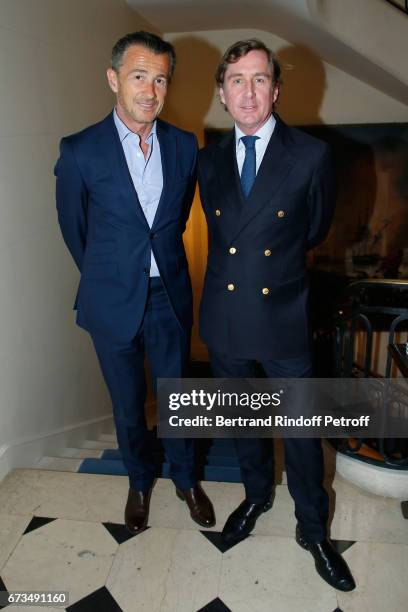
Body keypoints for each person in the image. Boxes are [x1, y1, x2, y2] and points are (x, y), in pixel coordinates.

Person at [198, 38, 355, 591]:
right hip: (224, 318)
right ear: (221, 93)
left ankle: (313, 529)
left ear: (276, 90)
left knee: (303, 434)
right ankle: (257, 494)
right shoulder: (207, 159)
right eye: (236, 79)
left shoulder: (310, 155)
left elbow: (313, 230)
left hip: (283, 315)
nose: (248, 90)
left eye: (259, 79)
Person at [55, 31, 215, 535]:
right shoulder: (80, 150)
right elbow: (74, 229)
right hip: (110, 301)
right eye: (138, 75)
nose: (150, 89)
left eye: (160, 78)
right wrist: (111, 273)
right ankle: (139, 481)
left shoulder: (185, 145)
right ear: (113, 80)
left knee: (178, 401)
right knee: (127, 405)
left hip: (169, 296)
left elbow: (175, 218)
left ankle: (187, 480)